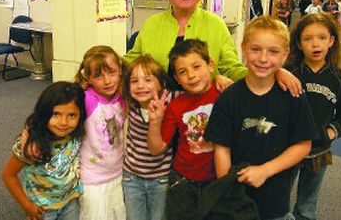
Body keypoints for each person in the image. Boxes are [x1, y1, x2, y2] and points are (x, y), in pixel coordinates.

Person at [124, 0, 301, 95]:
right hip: (159, 111)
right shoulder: (151, 25)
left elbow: (232, 68)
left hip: (203, 112)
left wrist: (273, 73)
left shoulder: (215, 24)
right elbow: (131, 62)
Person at [205, 16, 318, 220]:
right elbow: (222, 147)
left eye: (273, 52)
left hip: (275, 203)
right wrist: (228, 190)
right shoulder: (229, 98)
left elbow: (303, 145)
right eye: (256, 49)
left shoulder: (293, 96)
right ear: (244, 49)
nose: (263, 58)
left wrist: (265, 171)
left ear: (285, 55)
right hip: (236, 203)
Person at [287, 13, 341, 220]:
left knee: (307, 206)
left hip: (319, 151)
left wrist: (331, 132)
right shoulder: (290, 73)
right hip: (286, 149)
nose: (315, 44)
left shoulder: (338, 78)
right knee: (277, 201)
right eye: (308, 39)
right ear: (299, 43)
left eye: (322, 38)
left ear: (331, 41)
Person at [147, 39, 220, 220]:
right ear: (177, 79)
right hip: (183, 182)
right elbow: (157, 148)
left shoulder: (224, 93)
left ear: (210, 65)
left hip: (217, 182)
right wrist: (155, 121)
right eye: (182, 72)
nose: (191, 75)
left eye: (196, 67)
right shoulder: (175, 105)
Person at [2, 81, 86, 220]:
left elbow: (85, 87)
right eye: (56, 114)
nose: (64, 122)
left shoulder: (75, 134)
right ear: (44, 113)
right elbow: (8, 176)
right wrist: (26, 206)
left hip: (70, 202)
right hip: (43, 210)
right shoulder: (31, 146)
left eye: (71, 115)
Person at [75, 45, 127, 220]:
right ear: (87, 78)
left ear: (120, 71)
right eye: (98, 75)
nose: (107, 80)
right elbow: (53, 107)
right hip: (92, 179)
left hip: (118, 173)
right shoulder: (86, 98)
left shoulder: (122, 96)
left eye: (111, 73)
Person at [122, 54, 174, 220]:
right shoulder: (130, 103)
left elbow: (197, 90)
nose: (140, 86)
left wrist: (219, 79)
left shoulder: (171, 101)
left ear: (162, 84)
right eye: (134, 81)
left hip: (161, 180)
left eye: (148, 80)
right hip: (132, 177)